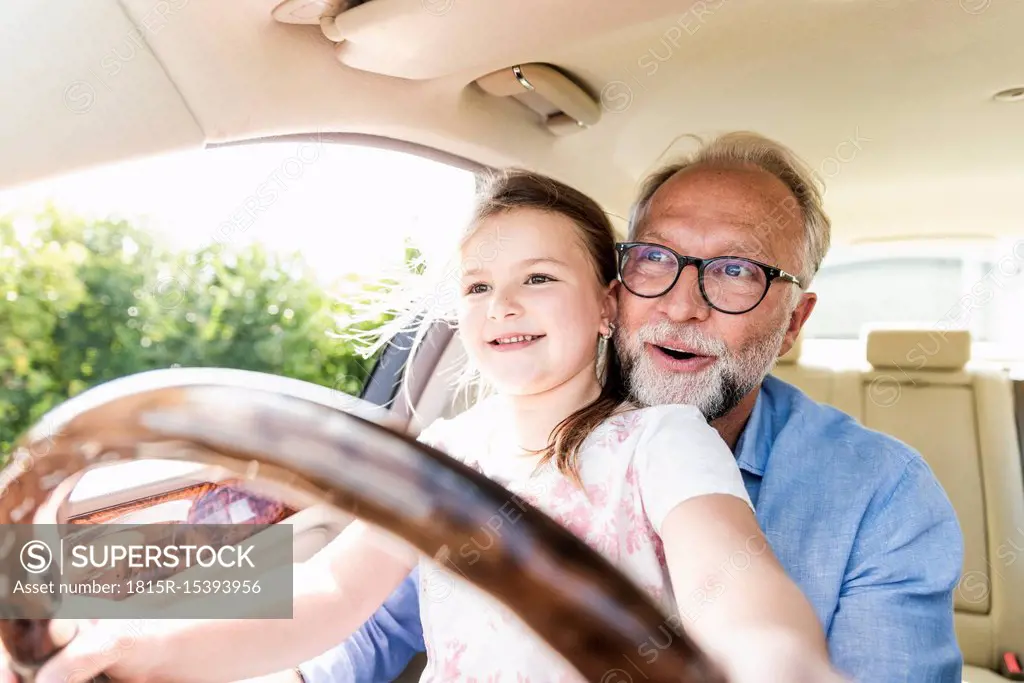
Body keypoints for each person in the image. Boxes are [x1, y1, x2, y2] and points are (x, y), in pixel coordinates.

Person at [10, 168, 843, 683]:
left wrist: (779, 661)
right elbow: (331, 594)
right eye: (478, 287)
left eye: (539, 277)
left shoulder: (662, 443)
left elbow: (730, 584)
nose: (503, 304)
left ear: (606, 306)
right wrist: (132, 651)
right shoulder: (443, 456)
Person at [293, 132, 965, 683]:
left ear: (794, 322)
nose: (681, 305)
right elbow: (355, 610)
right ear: (613, 294)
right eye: (655, 259)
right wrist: (201, 572)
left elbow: (764, 632)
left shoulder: (884, 493)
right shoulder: (503, 442)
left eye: (736, 270)